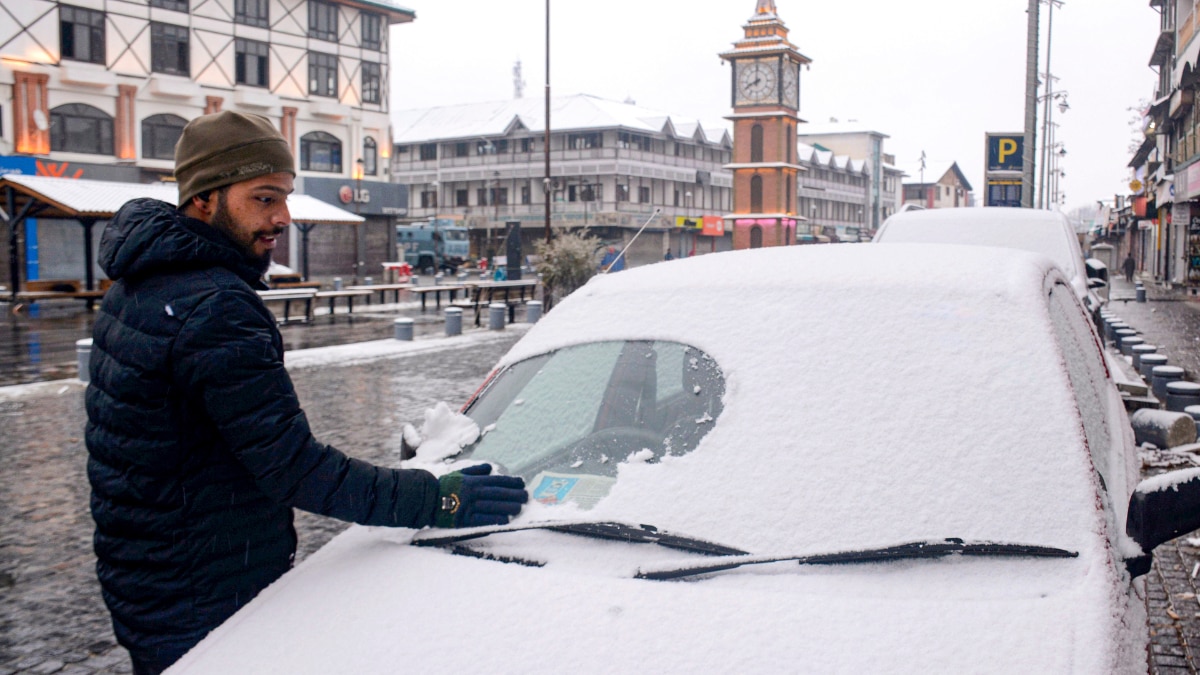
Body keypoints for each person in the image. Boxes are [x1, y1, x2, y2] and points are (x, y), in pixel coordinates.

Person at [84, 111, 528, 675]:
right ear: (204, 198)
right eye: (264, 199)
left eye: (285, 198)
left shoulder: (139, 281)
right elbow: (292, 467)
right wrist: (435, 499)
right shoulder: (214, 305)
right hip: (206, 591)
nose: (282, 218)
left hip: (150, 578)